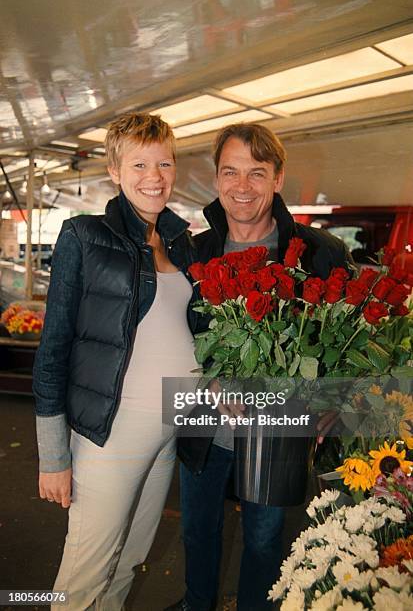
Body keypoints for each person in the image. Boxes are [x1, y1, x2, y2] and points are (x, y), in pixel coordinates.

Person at [166, 123, 353, 611]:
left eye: (256, 172)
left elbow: (348, 340)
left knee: (266, 541)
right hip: (204, 423)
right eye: (230, 172)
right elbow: (172, 334)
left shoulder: (319, 254)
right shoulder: (194, 253)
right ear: (216, 178)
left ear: (277, 178)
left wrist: (333, 399)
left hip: (279, 430)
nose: (242, 186)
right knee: (196, 532)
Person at [33, 112, 199, 611]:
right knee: (84, 576)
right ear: (114, 169)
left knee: (128, 562)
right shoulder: (84, 236)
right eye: (140, 164)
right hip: (112, 434)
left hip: (166, 435)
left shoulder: (180, 241)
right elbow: (54, 346)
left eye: (164, 163)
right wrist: (52, 456)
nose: (155, 176)